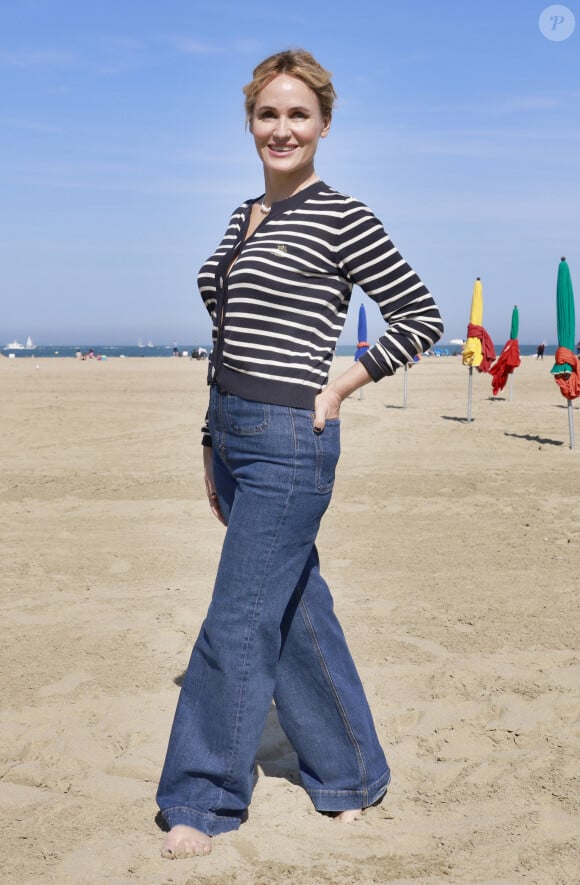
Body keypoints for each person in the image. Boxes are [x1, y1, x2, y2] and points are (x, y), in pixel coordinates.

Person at [156, 48, 444, 860]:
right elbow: (227, 336)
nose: (281, 129)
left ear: (323, 124)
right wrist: (211, 441)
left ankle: (202, 795)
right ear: (250, 121)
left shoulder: (342, 215)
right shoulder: (241, 214)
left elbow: (421, 316)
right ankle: (350, 772)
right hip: (233, 436)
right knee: (294, 609)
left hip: (290, 441)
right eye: (267, 114)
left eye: (298, 115)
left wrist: (340, 385)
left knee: (237, 617)